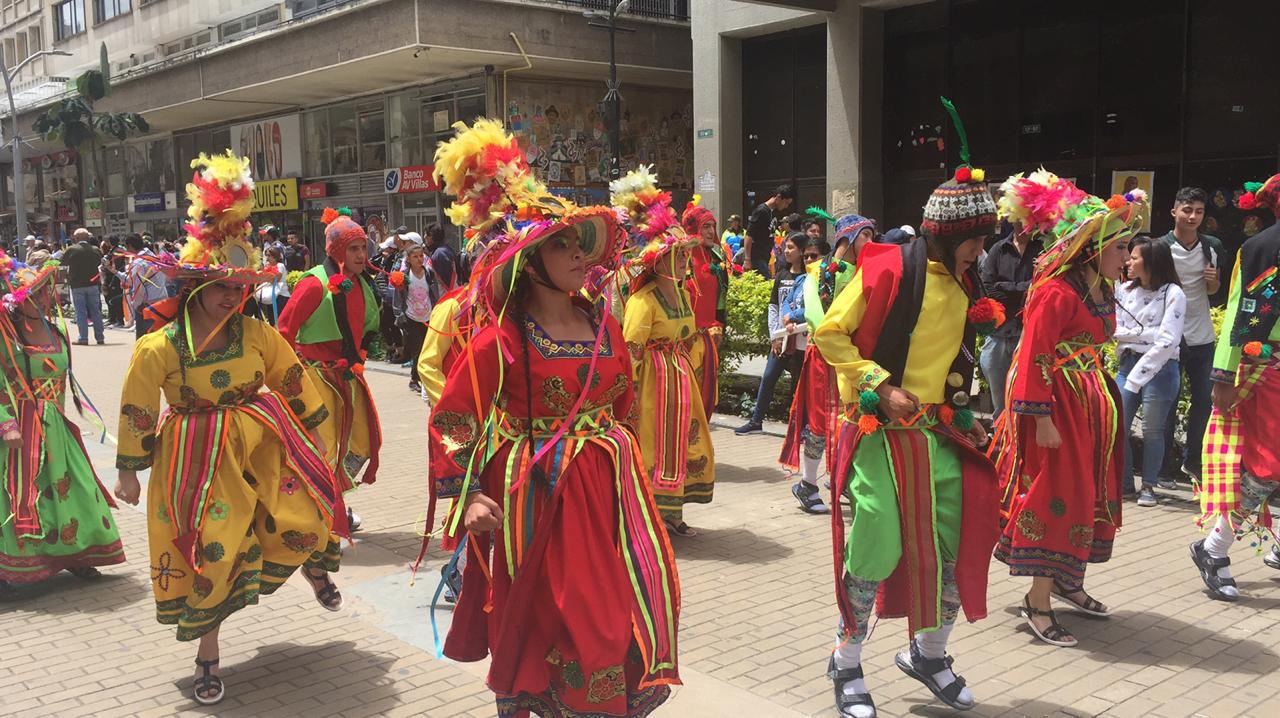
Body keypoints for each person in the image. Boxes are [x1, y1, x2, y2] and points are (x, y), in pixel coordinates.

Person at [429, 117, 680, 717]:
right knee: (553, 609)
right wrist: (467, 494)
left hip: (610, 491)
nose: (577, 255)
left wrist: (621, 458)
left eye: (581, 244)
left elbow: (619, 401)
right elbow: (454, 419)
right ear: (529, 261)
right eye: (561, 245)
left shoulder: (604, 322)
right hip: (537, 492)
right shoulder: (502, 338)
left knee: (622, 601)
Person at [112, 151, 344, 706]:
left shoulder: (257, 333)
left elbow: (293, 380)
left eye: (240, 288)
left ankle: (315, 572)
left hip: (260, 443)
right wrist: (128, 472)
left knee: (305, 511)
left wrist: (318, 438)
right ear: (195, 287)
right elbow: (138, 407)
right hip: (195, 460)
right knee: (214, 552)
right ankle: (207, 659)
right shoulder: (158, 347)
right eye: (222, 286)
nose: (233, 296)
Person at [815, 153, 1002, 716]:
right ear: (946, 233)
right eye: (974, 237)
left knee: (958, 538)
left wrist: (967, 410)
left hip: (936, 435)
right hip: (878, 432)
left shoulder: (967, 282)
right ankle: (845, 659)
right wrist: (880, 384)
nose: (981, 248)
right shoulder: (889, 268)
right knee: (877, 537)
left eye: (985, 237)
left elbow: (952, 362)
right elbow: (829, 334)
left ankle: (931, 653)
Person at [992, 187, 1148, 648]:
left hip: (1089, 407)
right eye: (1120, 247)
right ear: (1093, 248)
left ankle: (1066, 582)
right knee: (1055, 495)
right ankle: (1038, 601)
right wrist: (1041, 421)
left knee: (1088, 494)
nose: (1127, 255)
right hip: (1056, 409)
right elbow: (1035, 357)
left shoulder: (1101, 288)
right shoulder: (1055, 292)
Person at [0, 251, 125, 599]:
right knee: (23, 495)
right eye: (36, 294)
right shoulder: (8, 336)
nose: (44, 298)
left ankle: (78, 552)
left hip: (56, 427)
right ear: (18, 300)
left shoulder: (57, 331)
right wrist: (6, 422)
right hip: (21, 431)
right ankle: (14, 566)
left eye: (47, 291)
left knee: (76, 488)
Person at [1190, 173, 1280, 601]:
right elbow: (1242, 315)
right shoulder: (1259, 249)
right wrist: (1223, 374)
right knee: (1265, 467)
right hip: (1266, 370)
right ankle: (1214, 548)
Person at [615, 167, 716, 538]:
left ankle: (674, 511)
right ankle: (652, 512)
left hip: (680, 378)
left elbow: (689, 335)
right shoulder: (644, 300)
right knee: (655, 443)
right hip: (654, 386)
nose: (683, 262)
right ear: (658, 262)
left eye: (684, 257)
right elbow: (631, 349)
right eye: (675, 257)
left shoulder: (686, 294)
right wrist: (631, 393)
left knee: (687, 441)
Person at [777, 210, 895, 520]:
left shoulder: (865, 272)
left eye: (873, 234)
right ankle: (807, 484)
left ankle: (841, 477)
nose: (871, 241)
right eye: (865, 235)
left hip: (854, 358)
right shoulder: (816, 274)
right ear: (850, 238)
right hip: (825, 357)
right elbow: (819, 319)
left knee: (853, 419)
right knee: (821, 423)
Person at [277, 208, 382, 533]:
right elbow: (283, 331)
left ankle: (329, 501)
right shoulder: (313, 284)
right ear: (337, 250)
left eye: (363, 248)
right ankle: (326, 514)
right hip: (316, 379)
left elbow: (369, 329)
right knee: (324, 447)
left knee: (363, 443)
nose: (361, 255)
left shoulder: (361, 284)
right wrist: (288, 380)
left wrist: (361, 354)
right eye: (354, 249)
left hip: (348, 376)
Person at [1160, 187, 1225, 486]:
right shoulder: (1159, 247)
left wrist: (1213, 283)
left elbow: (1213, 291)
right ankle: (1162, 466)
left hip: (1201, 335)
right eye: (1187, 210)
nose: (1193, 216)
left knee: (1204, 400)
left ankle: (1192, 462)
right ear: (1174, 211)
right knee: (1167, 401)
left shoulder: (1211, 246)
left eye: (1199, 211)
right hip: (1169, 337)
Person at [1115, 236, 1185, 506]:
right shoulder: (1125, 291)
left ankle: (1149, 486)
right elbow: (1115, 331)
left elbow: (1168, 341)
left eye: (1134, 257)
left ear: (1152, 261)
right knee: (1118, 426)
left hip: (1161, 367)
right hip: (1128, 363)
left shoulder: (1173, 293)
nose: (1128, 261)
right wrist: (1144, 335)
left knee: (1153, 429)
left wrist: (1134, 337)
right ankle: (1124, 484)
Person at [982, 171, 1058, 417]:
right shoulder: (997, 249)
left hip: (1028, 334)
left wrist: (1010, 289)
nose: (1021, 226)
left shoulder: (1043, 249)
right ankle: (998, 447)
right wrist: (1022, 289)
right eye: (1016, 221)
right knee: (999, 405)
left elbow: (1043, 287)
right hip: (999, 335)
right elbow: (988, 287)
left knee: (1023, 401)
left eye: (1025, 221)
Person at [735, 233, 809, 436]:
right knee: (768, 378)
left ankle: (802, 427)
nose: (786, 251)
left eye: (791, 247)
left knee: (800, 384)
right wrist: (774, 337)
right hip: (781, 339)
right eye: (785, 247)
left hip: (802, 339)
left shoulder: (810, 277)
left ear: (802, 251)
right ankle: (756, 420)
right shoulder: (782, 275)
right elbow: (773, 306)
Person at [683, 198, 728, 419]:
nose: (711, 232)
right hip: (683, 339)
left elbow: (722, 298)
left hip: (709, 336)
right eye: (705, 226)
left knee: (706, 395)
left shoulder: (717, 258)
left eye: (713, 226)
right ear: (693, 229)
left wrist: (721, 325)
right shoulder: (680, 258)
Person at [392, 241, 438, 396]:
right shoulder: (404, 277)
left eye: (421, 256)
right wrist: (400, 315)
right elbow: (397, 298)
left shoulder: (429, 273)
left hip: (428, 316)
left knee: (428, 349)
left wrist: (438, 310)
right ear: (409, 259)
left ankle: (424, 378)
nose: (419, 259)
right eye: (415, 257)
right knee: (417, 350)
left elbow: (434, 294)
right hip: (411, 317)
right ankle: (414, 379)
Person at [118, 233, 170, 338]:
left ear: (130, 246)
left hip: (147, 305)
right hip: (163, 301)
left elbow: (138, 288)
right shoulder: (155, 257)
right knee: (160, 337)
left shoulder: (138, 262)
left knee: (145, 340)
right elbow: (166, 279)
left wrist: (136, 305)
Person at [61, 228, 105, 346]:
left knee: (81, 312)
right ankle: (100, 337)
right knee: (96, 311)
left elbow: (62, 264)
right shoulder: (96, 250)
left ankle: (83, 338)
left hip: (77, 285)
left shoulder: (71, 250)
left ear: (76, 238)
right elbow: (101, 262)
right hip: (93, 284)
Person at [744, 184, 795, 276]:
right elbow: (749, 235)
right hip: (756, 257)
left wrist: (775, 244)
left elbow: (767, 232)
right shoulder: (761, 211)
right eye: (786, 203)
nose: (786, 206)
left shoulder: (774, 212)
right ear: (779, 197)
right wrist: (747, 259)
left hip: (765, 256)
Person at [255, 245, 291, 326]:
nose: (267, 258)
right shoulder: (268, 266)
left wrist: (265, 277)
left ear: (275, 256)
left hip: (281, 296)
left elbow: (277, 279)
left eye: (269, 255)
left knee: (279, 321)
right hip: (271, 296)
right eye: (266, 255)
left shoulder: (280, 266)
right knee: (272, 320)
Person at [425, 221, 456, 292]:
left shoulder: (440, 254)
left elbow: (447, 281)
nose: (424, 237)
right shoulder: (442, 250)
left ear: (431, 236)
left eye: (426, 234)